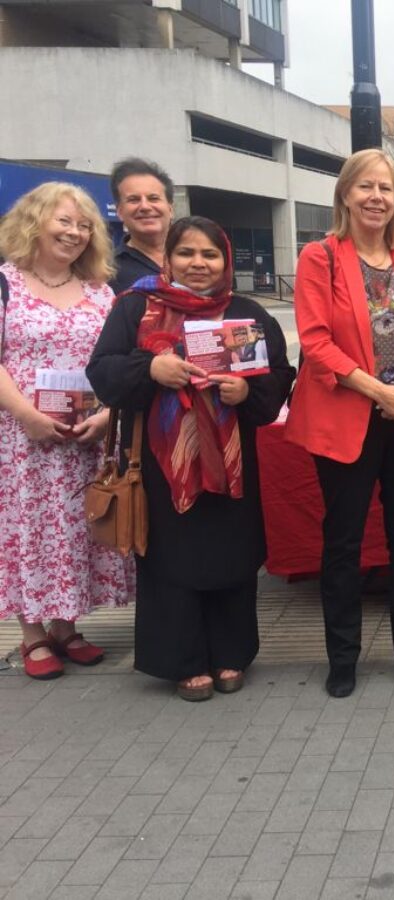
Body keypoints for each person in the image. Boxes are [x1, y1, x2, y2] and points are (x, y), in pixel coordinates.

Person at [88, 216, 294, 701]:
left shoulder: (246, 313)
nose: (198, 264)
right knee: (171, 560)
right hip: (162, 464)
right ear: (168, 258)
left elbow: (280, 375)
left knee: (231, 554)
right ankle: (183, 660)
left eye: (210, 254)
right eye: (187, 253)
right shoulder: (135, 308)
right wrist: (151, 367)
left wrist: (248, 390)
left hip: (231, 458)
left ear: (225, 260)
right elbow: (102, 371)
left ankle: (230, 652)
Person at [286, 149, 394, 699]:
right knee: (344, 542)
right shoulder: (320, 257)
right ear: (346, 194)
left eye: (387, 189)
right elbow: (314, 341)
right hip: (348, 418)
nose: (377, 197)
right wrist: (381, 392)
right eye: (366, 187)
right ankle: (343, 657)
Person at [0, 183, 134, 679]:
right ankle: (32, 633)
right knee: (29, 530)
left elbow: (118, 359)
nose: (75, 233)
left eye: (84, 226)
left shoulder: (101, 291)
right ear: (34, 221)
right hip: (23, 438)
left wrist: (108, 415)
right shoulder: (5, 283)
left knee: (78, 527)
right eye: (64, 222)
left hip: (89, 432)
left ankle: (65, 625)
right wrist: (28, 417)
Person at [109, 158, 174, 294]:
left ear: (170, 208)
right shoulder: (108, 271)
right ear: (119, 211)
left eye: (153, 198)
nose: (145, 206)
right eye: (133, 200)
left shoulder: (198, 258)